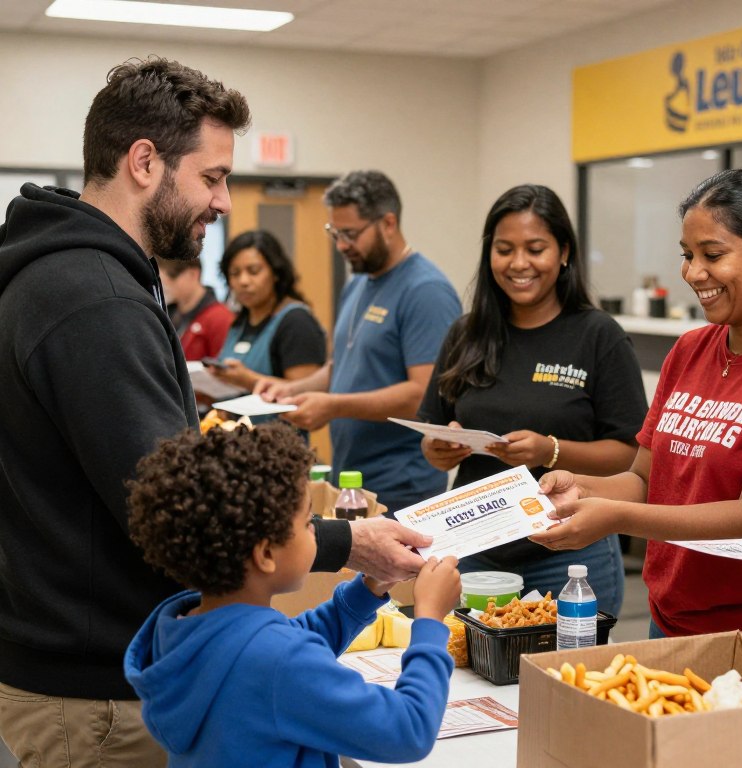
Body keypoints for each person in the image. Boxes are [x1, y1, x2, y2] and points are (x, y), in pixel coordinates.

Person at [0, 58, 429, 766]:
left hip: (80, 658)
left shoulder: (78, 275)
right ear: (144, 162)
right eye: (212, 177)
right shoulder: (95, 300)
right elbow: (178, 508)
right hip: (95, 690)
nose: (225, 202)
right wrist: (345, 543)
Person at [532, 169, 742, 664]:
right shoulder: (691, 350)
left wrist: (615, 518)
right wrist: (581, 488)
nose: (692, 273)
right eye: (688, 255)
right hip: (673, 625)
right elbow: (645, 480)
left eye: (713, 255)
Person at [125, 422, 461, 766]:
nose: (316, 531)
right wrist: (430, 620)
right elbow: (408, 731)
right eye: (307, 523)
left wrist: (368, 588)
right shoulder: (276, 661)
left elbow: (283, 642)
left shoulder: (182, 628)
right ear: (266, 555)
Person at [417, 184, 647, 615]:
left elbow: (631, 455)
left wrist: (551, 450)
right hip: (475, 549)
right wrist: (440, 448)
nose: (519, 263)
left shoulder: (599, 336)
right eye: (505, 249)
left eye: (535, 248)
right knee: (473, 673)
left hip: (571, 554)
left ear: (563, 253)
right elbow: (432, 434)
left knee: (564, 678)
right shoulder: (466, 334)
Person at [256, 171, 462, 513]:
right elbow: (342, 366)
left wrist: (334, 406)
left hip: (401, 486)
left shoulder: (426, 291)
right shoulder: (358, 284)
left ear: (389, 223)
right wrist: (291, 390)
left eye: (350, 234)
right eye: (334, 233)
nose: (341, 245)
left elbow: (424, 394)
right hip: (352, 480)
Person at [211, 229, 326, 390]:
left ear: (276, 273)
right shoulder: (239, 322)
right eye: (235, 273)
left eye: (254, 271)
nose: (243, 281)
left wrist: (249, 380)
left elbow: (308, 392)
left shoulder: (296, 321)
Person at [156, 256, 234, 360]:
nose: (165, 283)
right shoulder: (166, 315)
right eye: (159, 278)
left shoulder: (220, 318)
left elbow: (224, 370)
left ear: (193, 274)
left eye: (172, 276)